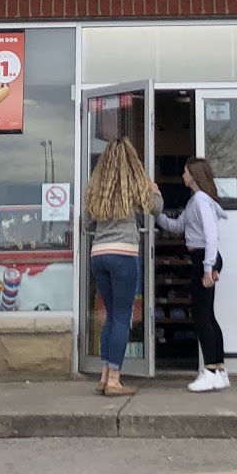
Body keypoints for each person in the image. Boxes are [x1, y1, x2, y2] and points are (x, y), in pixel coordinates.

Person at [83, 132, 163, 397]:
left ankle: (104, 375)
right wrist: (154, 190)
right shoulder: (135, 185)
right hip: (123, 255)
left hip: (99, 255)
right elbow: (156, 208)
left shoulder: (96, 187)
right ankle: (115, 380)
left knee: (110, 316)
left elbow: (86, 223)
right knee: (121, 316)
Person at [157, 157, 229, 391]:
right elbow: (178, 226)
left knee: (201, 315)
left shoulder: (200, 200)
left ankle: (210, 371)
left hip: (204, 258)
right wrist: (156, 214)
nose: (183, 175)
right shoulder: (196, 201)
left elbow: (211, 236)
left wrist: (208, 268)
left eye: (186, 172)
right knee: (208, 314)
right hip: (205, 258)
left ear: (194, 175)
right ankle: (219, 371)